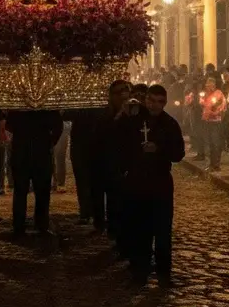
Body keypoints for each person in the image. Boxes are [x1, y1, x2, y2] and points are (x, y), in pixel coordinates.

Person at [120, 84, 185, 286]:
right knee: (140, 227)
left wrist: (159, 148)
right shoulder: (133, 121)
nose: (155, 105)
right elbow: (120, 146)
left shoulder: (170, 124)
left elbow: (178, 154)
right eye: (152, 101)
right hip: (138, 181)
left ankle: (164, 273)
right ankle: (140, 271)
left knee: (162, 229)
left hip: (160, 181)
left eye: (160, 102)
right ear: (146, 100)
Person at [5, 108, 64, 236]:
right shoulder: (48, 108)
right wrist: (49, 142)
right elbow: (58, 128)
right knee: (41, 192)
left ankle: (19, 226)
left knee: (21, 192)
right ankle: (41, 225)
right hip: (41, 153)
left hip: (21, 153)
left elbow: (9, 125)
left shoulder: (17, 107)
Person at [92, 81, 131, 239]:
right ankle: (103, 224)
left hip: (124, 164)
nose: (122, 96)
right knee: (106, 197)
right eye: (118, 92)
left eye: (125, 91)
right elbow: (100, 137)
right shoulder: (102, 115)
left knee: (120, 200)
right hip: (105, 163)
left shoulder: (133, 112)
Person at [69, 107, 100, 224]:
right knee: (85, 181)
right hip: (81, 146)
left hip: (89, 145)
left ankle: (90, 212)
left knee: (90, 182)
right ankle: (88, 211)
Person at [199, 75, 227, 171]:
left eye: (210, 84)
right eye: (207, 84)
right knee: (209, 142)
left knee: (215, 143)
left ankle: (216, 164)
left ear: (214, 85)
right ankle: (211, 163)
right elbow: (204, 106)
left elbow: (221, 106)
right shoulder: (206, 94)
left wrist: (214, 111)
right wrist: (202, 102)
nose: (207, 86)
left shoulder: (218, 93)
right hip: (207, 120)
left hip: (215, 121)